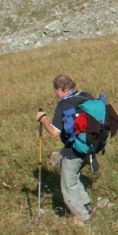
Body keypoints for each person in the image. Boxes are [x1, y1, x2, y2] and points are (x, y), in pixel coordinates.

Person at [35, 74, 97, 223]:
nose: (55, 94)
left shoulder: (64, 105)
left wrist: (43, 120)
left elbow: (54, 132)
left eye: (55, 91)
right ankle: (86, 204)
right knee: (73, 174)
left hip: (75, 149)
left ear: (60, 89)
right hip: (92, 145)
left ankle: (82, 217)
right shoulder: (86, 96)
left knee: (68, 184)